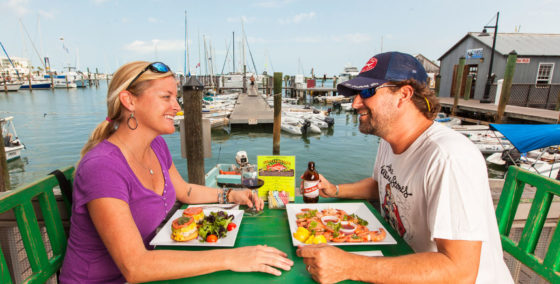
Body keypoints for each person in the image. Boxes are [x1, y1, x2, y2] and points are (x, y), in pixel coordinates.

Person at [60, 61, 293, 283]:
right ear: (129, 101)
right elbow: (136, 267)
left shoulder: (157, 146)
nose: (177, 107)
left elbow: (185, 191)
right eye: (166, 97)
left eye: (176, 97)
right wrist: (232, 258)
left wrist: (231, 195)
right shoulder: (102, 167)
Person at [297, 52, 513, 283]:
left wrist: (351, 267)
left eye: (367, 92)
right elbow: (383, 186)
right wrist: (335, 190)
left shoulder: (449, 157)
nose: (356, 103)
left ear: (404, 94)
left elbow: (460, 272)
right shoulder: (389, 141)